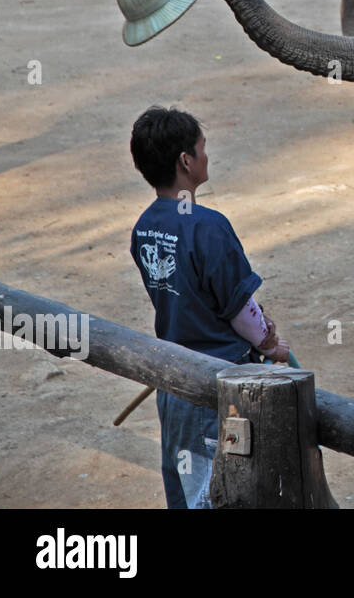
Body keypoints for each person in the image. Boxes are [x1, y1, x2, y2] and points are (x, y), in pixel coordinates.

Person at [129, 106, 291, 510]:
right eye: (202, 149)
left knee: (188, 488)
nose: (206, 156)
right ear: (186, 161)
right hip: (222, 383)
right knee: (223, 490)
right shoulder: (207, 225)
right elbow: (241, 313)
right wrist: (275, 348)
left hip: (174, 378)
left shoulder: (144, 227)